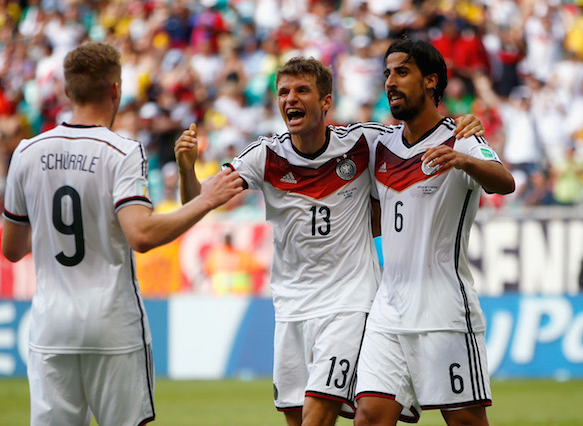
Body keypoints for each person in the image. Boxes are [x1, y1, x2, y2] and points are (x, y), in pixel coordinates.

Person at [175, 56, 484, 426]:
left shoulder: (362, 142)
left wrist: (462, 125)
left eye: (302, 90)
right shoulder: (265, 155)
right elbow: (197, 202)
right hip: (290, 306)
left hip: (348, 304)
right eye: (284, 92)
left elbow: (416, 134)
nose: (291, 98)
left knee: (318, 416)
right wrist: (185, 169)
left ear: (326, 102)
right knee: (297, 417)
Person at [0, 41, 243, 426]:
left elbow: (11, 249)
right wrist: (205, 199)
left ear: (67, 90)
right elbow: (141, 235)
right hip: (112, 326)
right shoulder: (122, 151)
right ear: (116, 89)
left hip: (51, 328)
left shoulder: (28, 152)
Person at [354, 38, 515, 426]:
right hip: (388, 309)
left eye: (402, 72)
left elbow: (504, 182)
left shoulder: (461, 139)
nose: (390, 81)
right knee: (370, 417)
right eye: (387, 73)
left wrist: (463, 159)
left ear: (430, 81)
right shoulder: (381, 144)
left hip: (444, 310)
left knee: (465, 422)